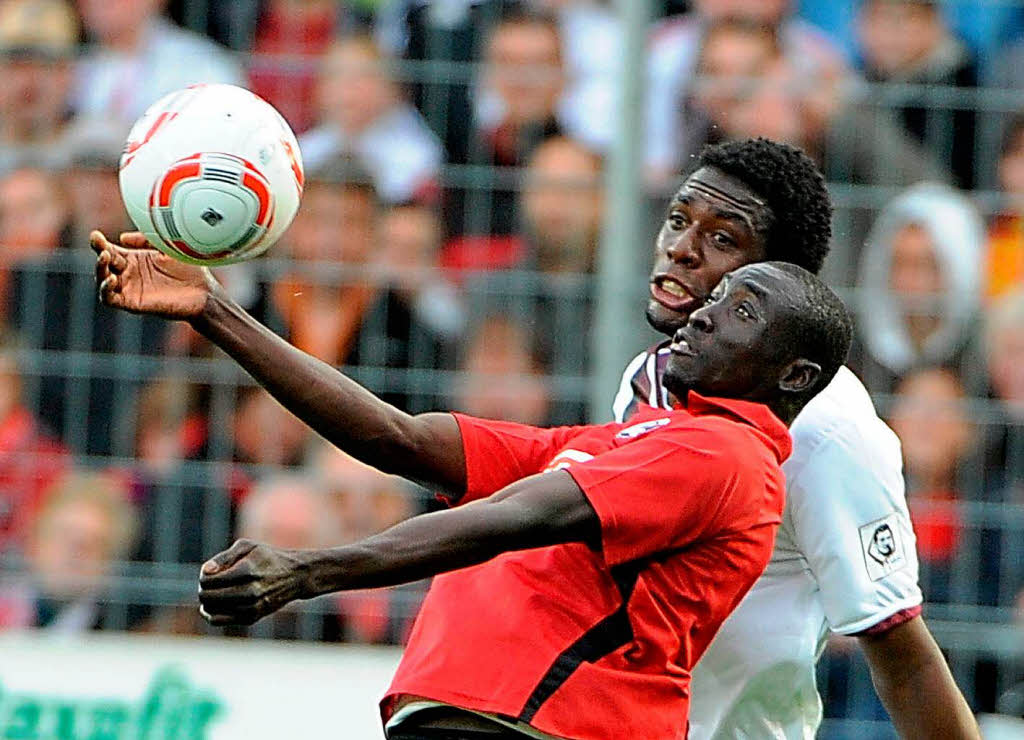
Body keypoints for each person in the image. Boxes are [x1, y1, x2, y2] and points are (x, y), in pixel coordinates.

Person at [93, 221, 852, 738]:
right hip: (482, 721)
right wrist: (214, 312)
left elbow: (520, 516)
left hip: (544, 728)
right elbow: (399, 439)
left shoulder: (725, 455)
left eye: (741, 312)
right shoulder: (630, 440)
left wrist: (310, 568)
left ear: (795, 373)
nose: (705, 316)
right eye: (717, 299)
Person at [610, 138, 978, 739]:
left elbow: (900, 652)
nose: (681, 249)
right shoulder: (644, 380)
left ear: (779, 280)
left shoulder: (826, 426)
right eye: (679, 221)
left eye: (722, 239)